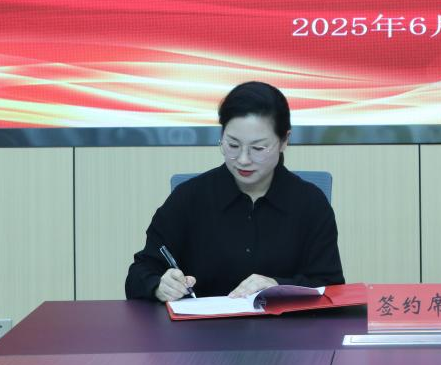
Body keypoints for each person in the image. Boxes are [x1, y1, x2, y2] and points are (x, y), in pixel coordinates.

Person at [125, 81, 344, 301]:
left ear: (284, 140)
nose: (243, 159)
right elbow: (139, 274)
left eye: (258, 148)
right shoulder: (189, 198)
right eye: (232, 145)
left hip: (284, 323)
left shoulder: (310, 203)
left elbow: (332, 288)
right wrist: (159, 285)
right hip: (203, 323)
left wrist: (279, 286)